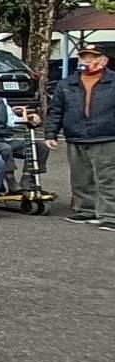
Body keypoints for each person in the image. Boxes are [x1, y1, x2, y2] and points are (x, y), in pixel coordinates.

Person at [46, 44, 115, 228]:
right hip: (75, 136)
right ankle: (86, 210)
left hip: (106, 136)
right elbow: (56, 111)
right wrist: (50, 133)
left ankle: (110, 216)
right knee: (80, 177)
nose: (87, 61)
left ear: (104, 59)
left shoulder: (113, 81)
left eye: (92, 57)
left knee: (107, 178)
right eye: (84, 57)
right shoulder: (67, 83)